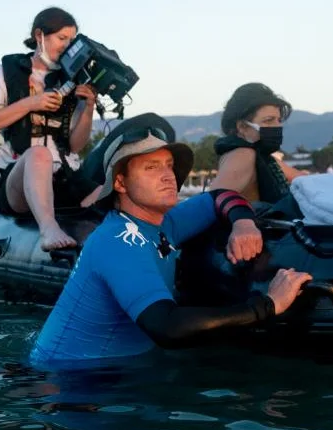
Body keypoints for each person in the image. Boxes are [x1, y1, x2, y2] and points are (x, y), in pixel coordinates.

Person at [30, 125, 312, 367]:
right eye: (151, 167)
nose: (168, 175)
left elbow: (220, 196)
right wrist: (267, 305)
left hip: (115, 374)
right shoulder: (118, 240)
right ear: (120, 183)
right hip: (72, 383)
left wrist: (243, 223)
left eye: (168, 165)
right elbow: (167, 327)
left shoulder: (164, 222)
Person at [0, 7, 100, 251]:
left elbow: (75, 146)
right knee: (39, 154)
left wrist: (88, 108)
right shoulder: (6, 72)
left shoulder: (72, 79)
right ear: (39, 35)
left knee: (108, 191)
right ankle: (48, 228)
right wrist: (31, 103)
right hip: (17, 179)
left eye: (72, 40)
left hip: (63, 178)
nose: (67, 46)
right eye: (62, 38)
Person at [211, 83, 308, 206]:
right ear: (242, 127)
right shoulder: (243, 155)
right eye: (268, 120)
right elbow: (215, 200)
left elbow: (304, 180)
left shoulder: (261, 157)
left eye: (278, 120)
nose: (278, 126)